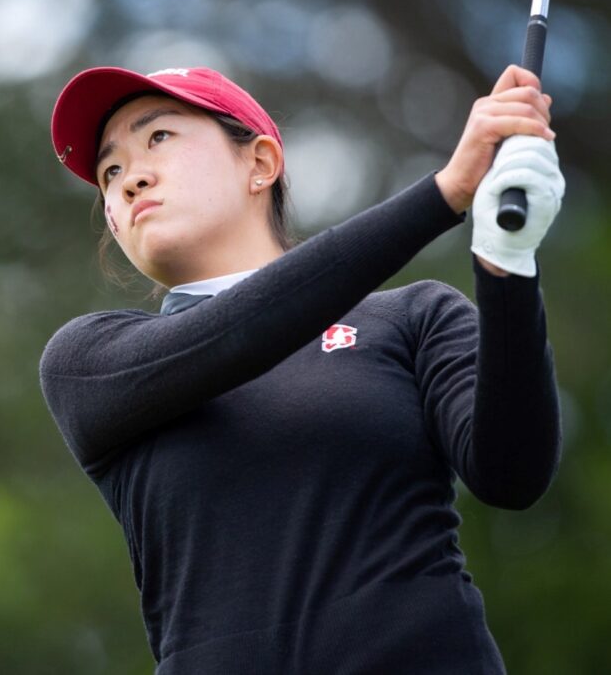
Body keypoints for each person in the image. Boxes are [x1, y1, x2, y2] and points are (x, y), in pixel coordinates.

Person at [39, 64, 565, 674]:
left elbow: (512, 474)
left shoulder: (413, 317)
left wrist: (507, 263)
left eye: (158, 137)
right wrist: (444, 192)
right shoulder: (90, 360)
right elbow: (237, 334)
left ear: (260, 163)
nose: (130, 179)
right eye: (110, 171)